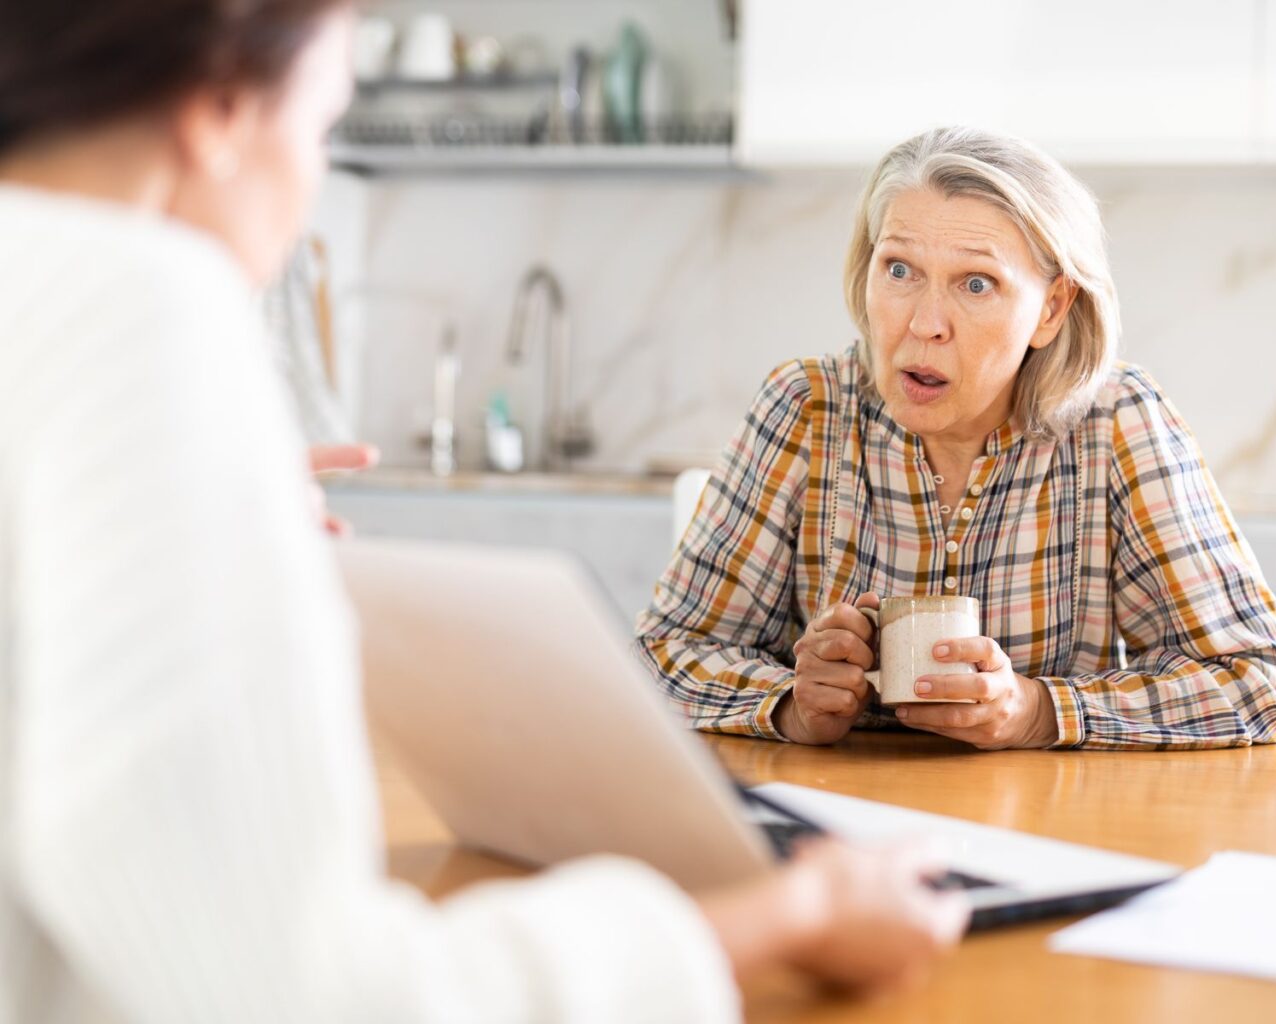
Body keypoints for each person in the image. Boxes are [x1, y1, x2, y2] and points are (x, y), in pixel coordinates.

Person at [0, 3, 966, 1021]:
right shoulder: (149, 301)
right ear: (223, 109)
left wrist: (185, 503)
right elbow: (309, 997)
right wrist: (792, 914)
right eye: (323, 128)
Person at [637, 127, 1276, 751]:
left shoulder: (1114, 423)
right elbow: (660, 654)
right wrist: (791, 704)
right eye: (899, 270)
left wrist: (1035, 712)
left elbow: (1264, 681)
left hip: (1049, 830)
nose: (925, 324)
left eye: (977, 284)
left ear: (1050, 309)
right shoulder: (806, 409)